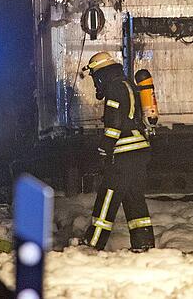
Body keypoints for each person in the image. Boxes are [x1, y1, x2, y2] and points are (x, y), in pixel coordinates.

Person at [80, 52, 155, 252]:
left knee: (108, 196)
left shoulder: (114, 88)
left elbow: (114, 123)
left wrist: (105, 148)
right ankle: (143, 243)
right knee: (133, 197)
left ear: (102, 74)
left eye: (96, 77)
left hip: (124, 152)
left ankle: (93, 243)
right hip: (139, 150)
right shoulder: (128, 84)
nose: (96, 83)